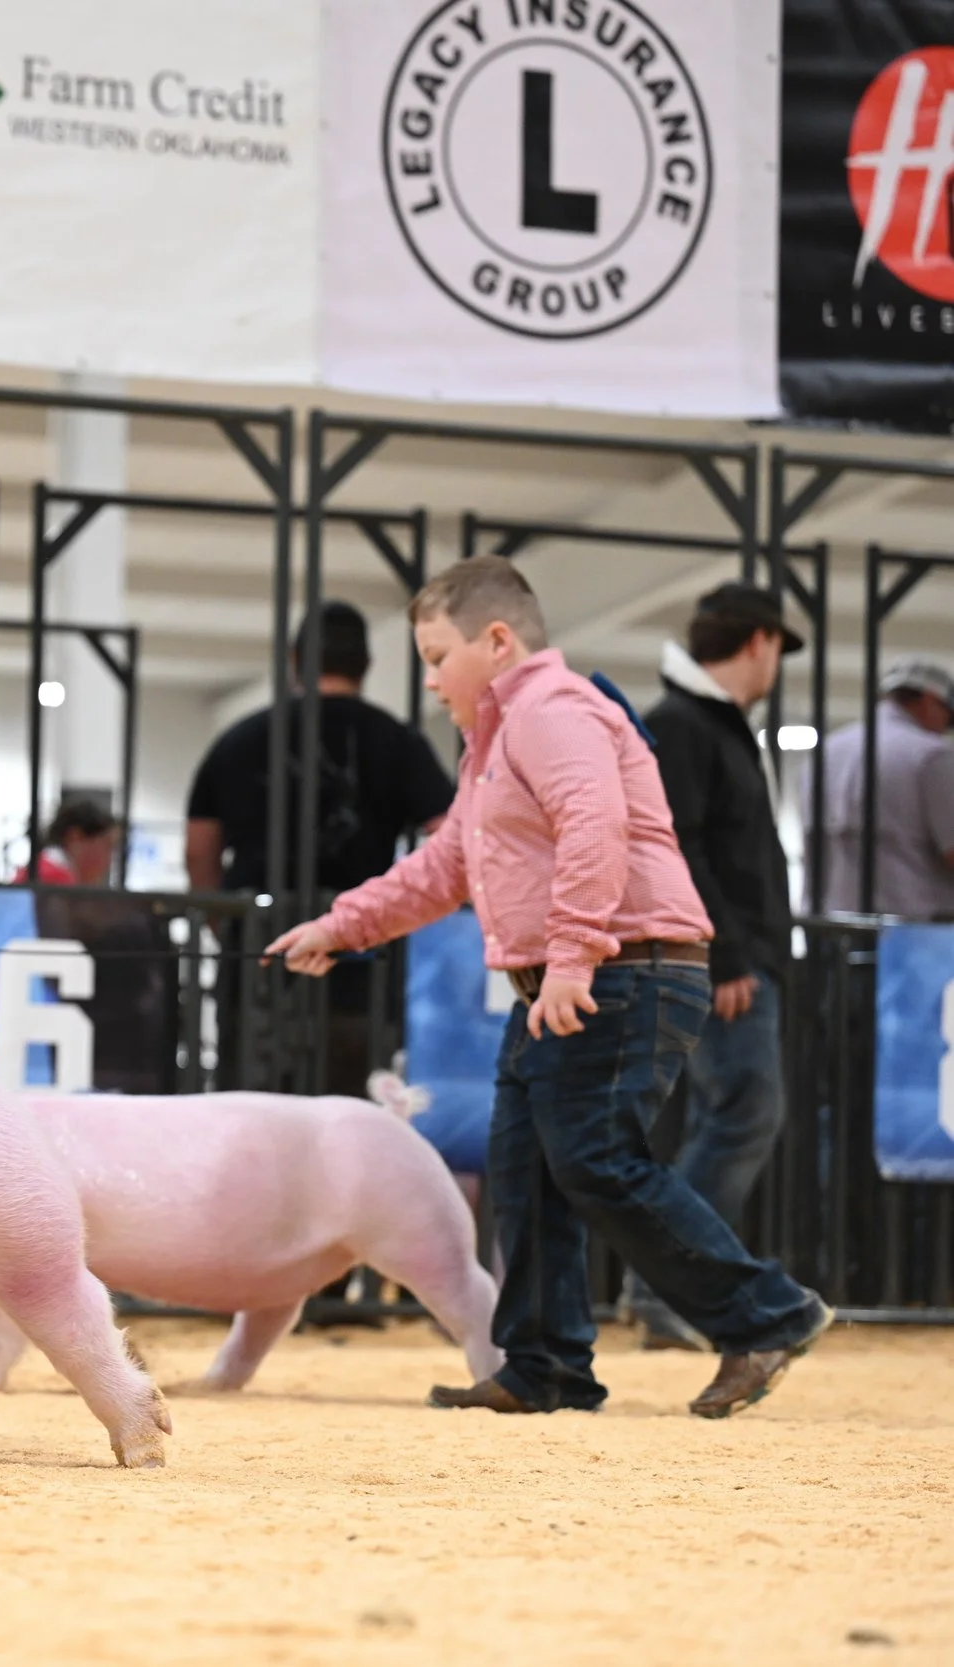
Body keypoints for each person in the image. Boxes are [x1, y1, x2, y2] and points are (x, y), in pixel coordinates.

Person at [267, 557, 831, 1420]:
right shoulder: (494, 743)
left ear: (496, 642)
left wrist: (570, 960)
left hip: (618, 968)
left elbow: (592, 826)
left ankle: (765, 1313)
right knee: (528, 1168)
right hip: (584, 970)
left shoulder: (553, 711)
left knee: (593, 1157)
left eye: (435, 653)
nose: (428, 677)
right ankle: (545, 1364)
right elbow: (445, 867)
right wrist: (341, 926)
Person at [630, 583, 803, 1351]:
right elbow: (682, 846)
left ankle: (671, 1285)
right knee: (744, 1112)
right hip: (722, 961)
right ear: (759, 641)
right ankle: (668, 1280)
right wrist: (727, 950)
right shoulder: (688, 725)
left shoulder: (699, 725)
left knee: (727, 1116)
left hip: (723, 955)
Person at [186, 600, 453, 1092]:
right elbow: (451, 833)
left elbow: (199, 846)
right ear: (366, 665)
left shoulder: (241, 740)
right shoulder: (397, 743)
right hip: (360, 952)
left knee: (253, 1102)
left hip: (259, 950)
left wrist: (223, 922)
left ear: (293, 659)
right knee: (352, 1102)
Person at [808, 655, 954, 920]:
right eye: (948, 716)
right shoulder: (932, 755)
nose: (945, 728)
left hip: (827, 929)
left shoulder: (825, 752)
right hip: (912, 937)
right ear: (930, 699)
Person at [20, 796, 121, 886]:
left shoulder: (42, 867)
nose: (109, 860)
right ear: (75, 837)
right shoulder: (56, 879)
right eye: (107, 846)